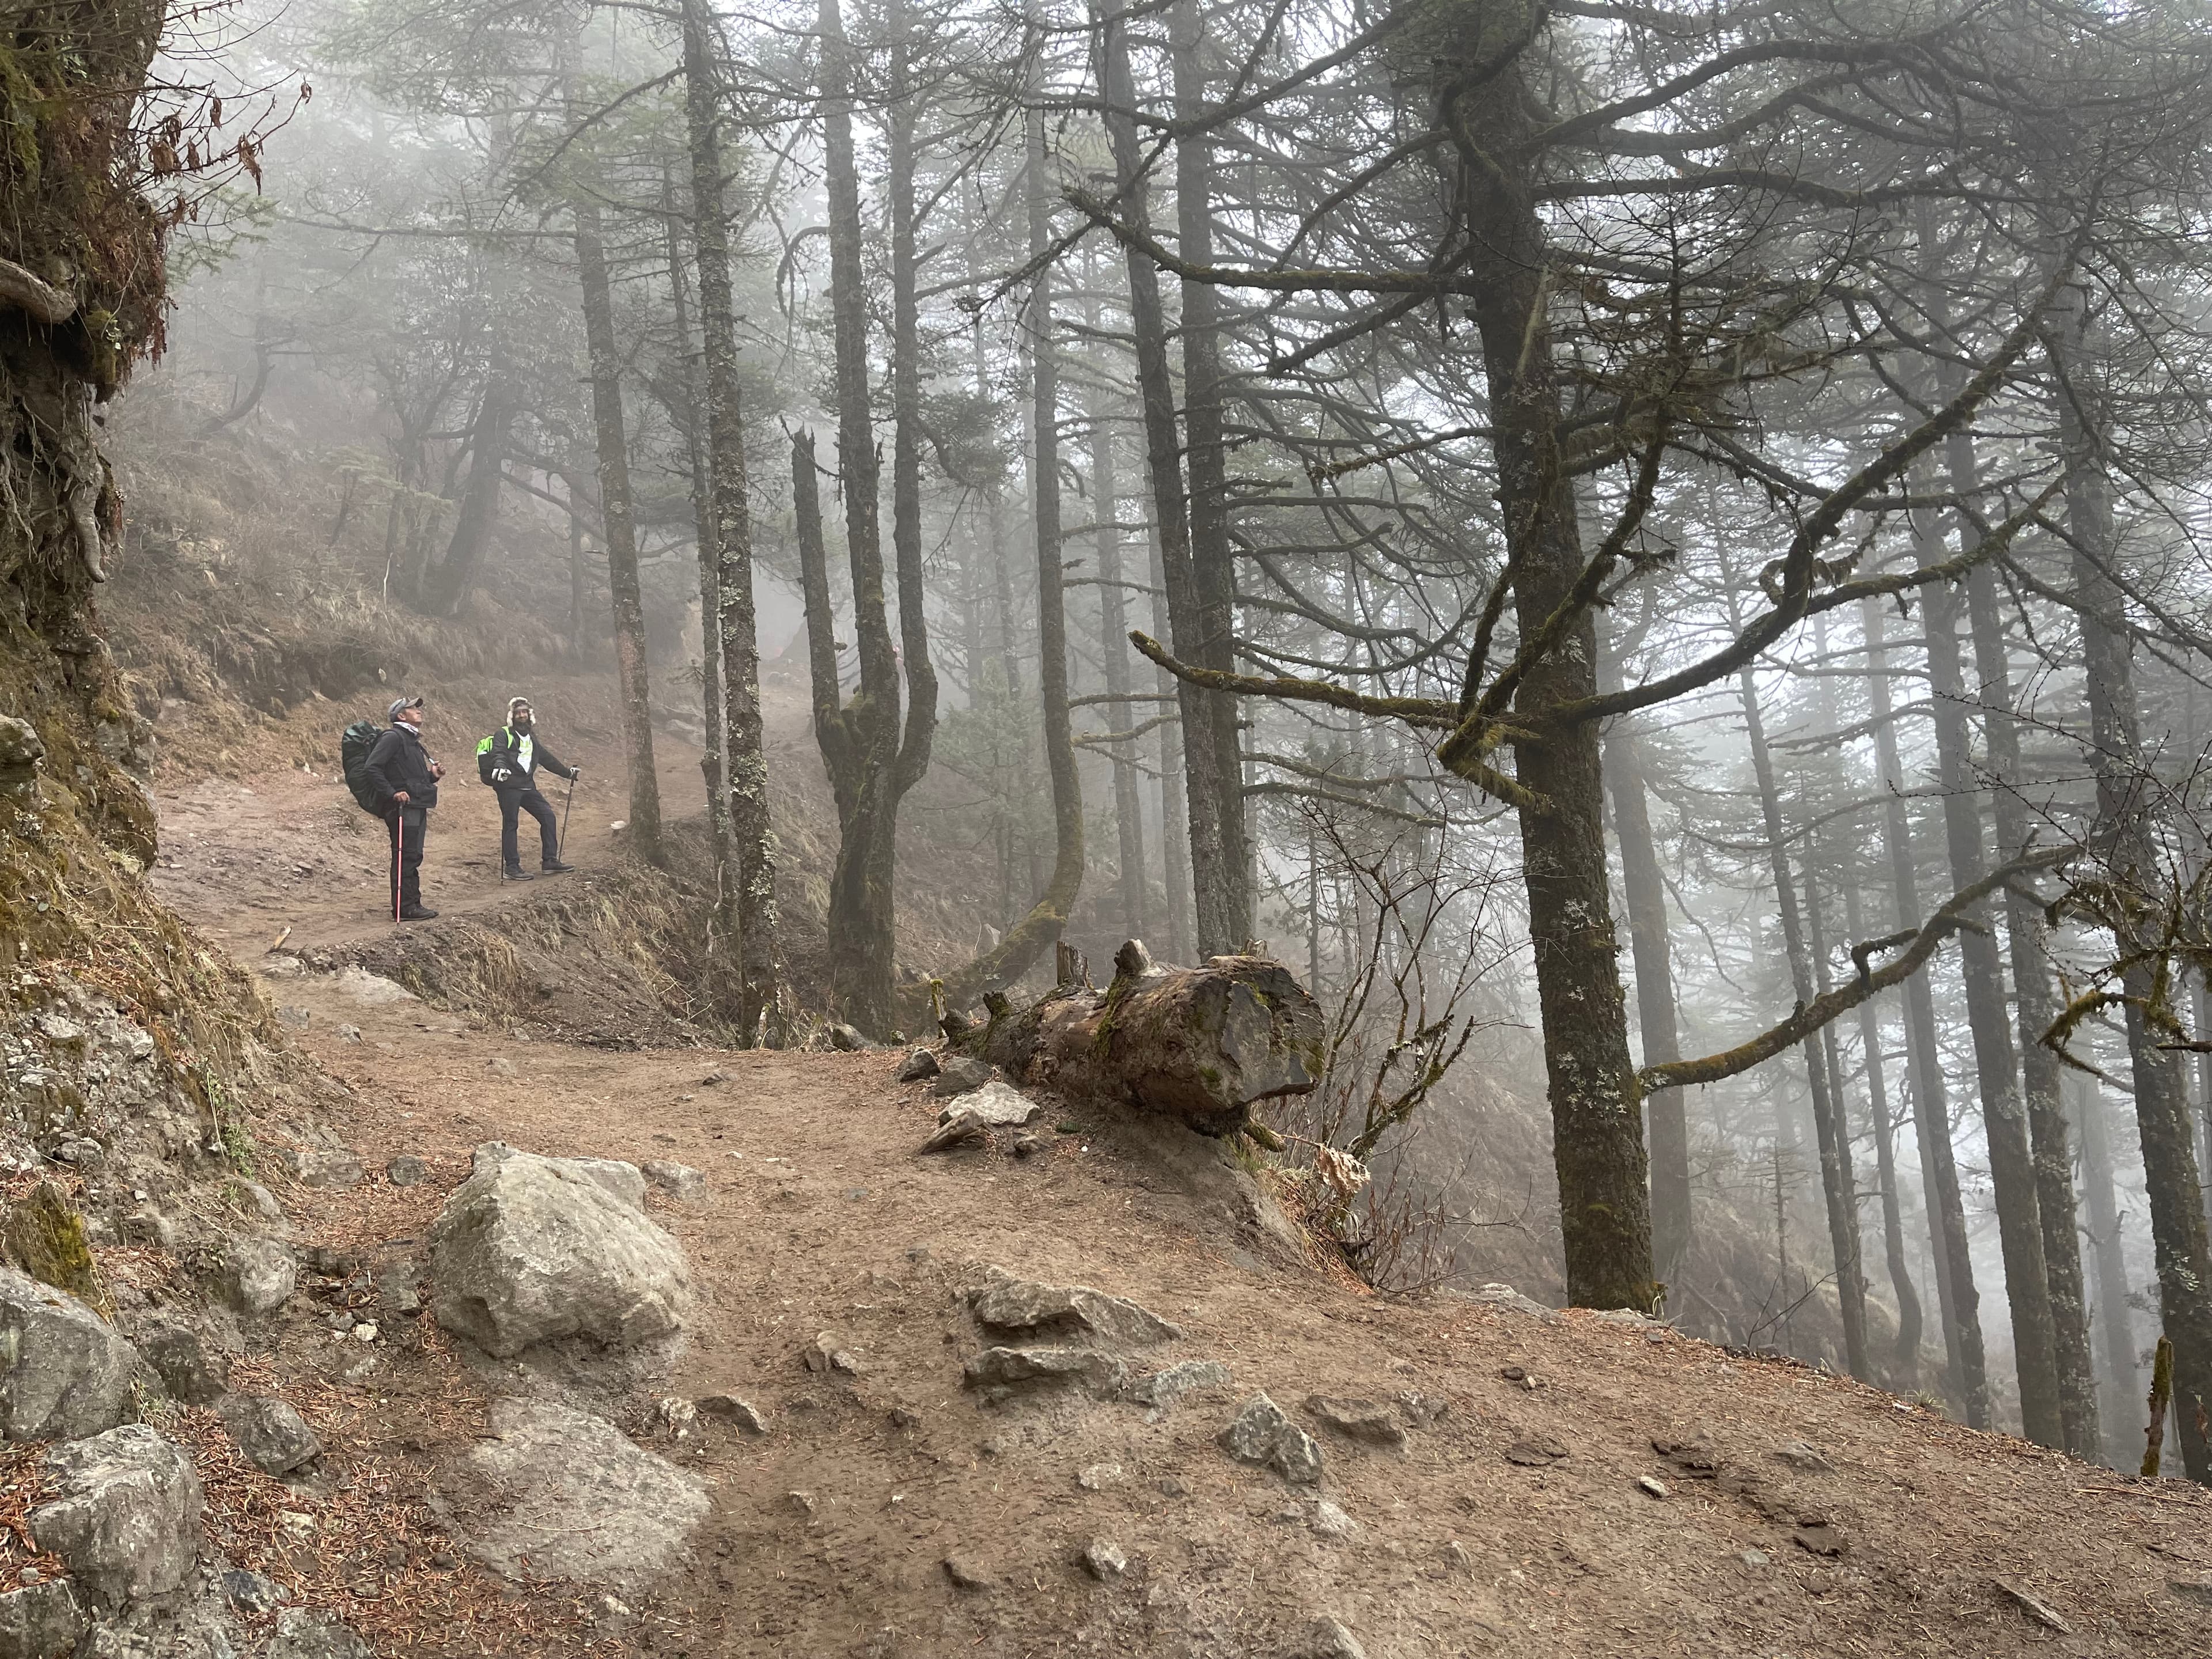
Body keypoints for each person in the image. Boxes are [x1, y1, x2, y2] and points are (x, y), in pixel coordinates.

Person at [478, 695, 579, 881]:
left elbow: (547, 759)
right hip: (508, 787)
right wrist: (500, 768)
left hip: (527, 787)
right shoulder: (504, 734)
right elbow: (499, 753)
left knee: (548, 817)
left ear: (530, 715)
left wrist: (568, 774)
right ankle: (512, 867)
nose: (522, 716)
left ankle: (549, 861)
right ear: (512, 716)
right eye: (518, 713)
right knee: (511, 823)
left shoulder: (532, 738)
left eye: (525, 712)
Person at [362, 695, 444, 921]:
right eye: (413, 708)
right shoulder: (393, 737)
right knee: (405, 855)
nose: (419, 710)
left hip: (414, 805)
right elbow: (372, 768)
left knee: (413, 854)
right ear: (401, 715)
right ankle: (405, 907)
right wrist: (393, 793)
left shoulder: (411, 740)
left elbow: (410, 778)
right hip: (402, 808)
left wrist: (432, 776)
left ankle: (412, 903)